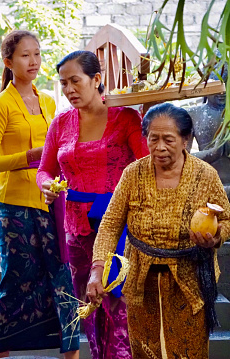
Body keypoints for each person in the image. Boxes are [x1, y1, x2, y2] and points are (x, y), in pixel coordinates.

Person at [87, 102, 230, 358]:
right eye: (153, 139)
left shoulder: (205, 175)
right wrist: (97, 271)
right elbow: (110, 225)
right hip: (142, 280)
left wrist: (216, 237)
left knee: (188, 351)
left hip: (190, 280)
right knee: (145, 349)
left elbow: (227, 220)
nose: (160, 147)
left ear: (186, 139)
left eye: (168, 140)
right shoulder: (133, 174)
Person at [36, 50, 149, 359]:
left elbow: (146, 166)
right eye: (63, 84)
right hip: (76, 227)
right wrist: (47, 185)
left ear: (96, 79)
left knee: (119, 305)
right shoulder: (61, 123)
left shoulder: (126, 118)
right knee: (89, 304)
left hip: (119, 226)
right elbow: (45, 169)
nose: (70, 89)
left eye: (76, 81)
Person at [0, 30, 79, 359]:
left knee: (62, 275)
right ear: (8, 62)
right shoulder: (0, 106)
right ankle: (2, 350)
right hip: (15, 207)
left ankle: (70, 351)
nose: (34, 61)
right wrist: (29, 157)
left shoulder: (49, 101)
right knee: (17, 279)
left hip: (52, 203)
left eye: (37, 54)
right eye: (25, 55)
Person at [187, 64, 230, 197]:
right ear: (206, 84)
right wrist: (212, 153)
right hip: (207, 186)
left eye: (226, 85)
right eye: (217, 85)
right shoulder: (193, 114)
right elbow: (181, 160)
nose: (222, 92)